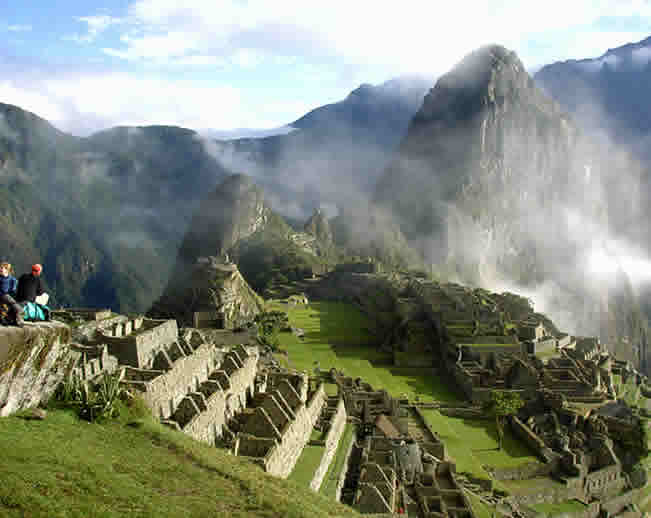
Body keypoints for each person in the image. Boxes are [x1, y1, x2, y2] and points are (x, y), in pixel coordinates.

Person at [0, 262, 24, 327]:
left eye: (2, 268)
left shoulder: (12, 279)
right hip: (3, 295)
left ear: (7, 270)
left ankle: (16, 321)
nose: (0, 269)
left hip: (7, 296)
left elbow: (13, 290)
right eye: (0, 268)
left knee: (17, 308)